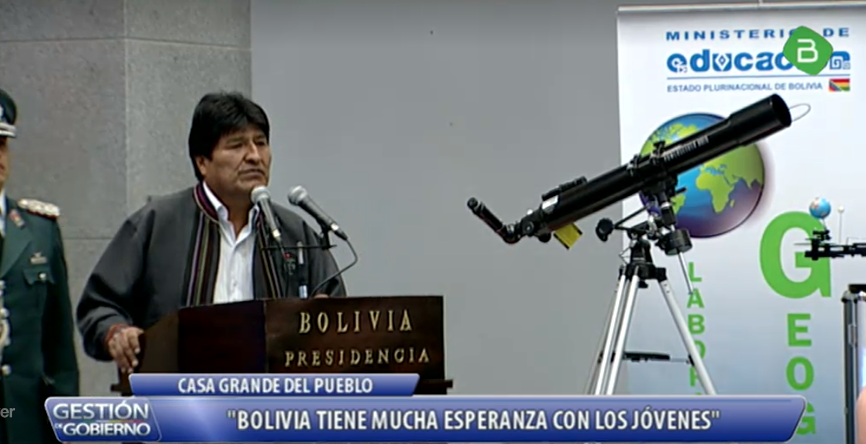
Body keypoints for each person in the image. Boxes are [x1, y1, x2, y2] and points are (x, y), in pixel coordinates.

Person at [76, 91, 347, 373]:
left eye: (261, 143)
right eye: (237, 145)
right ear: (202, 162)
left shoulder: (292, 232)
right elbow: (99, 306)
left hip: (273, 395)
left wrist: (327, 320)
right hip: (175, 392)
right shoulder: (157, 224)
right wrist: (118, 333)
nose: (254, 156)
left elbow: (339, 313)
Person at [0, 88, 79, 443]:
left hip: (26, 425)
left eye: (2, 144)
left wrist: (67, 427)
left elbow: (59, 347)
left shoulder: (39, 231)